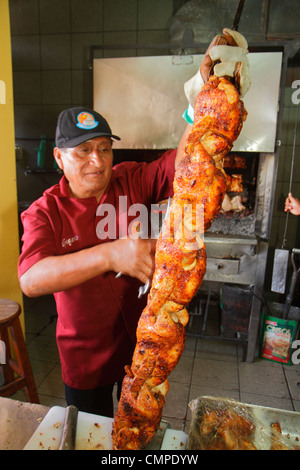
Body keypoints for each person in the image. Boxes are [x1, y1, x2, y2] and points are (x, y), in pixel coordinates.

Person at [18, 29, 249, 417]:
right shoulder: (45, 211)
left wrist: (201, 96)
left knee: (136, 430)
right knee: (93, 433)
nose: (98, 160)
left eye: (105, 148)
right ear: (59, 158)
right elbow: (31, 279)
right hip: (85, 357)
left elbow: (182, 162)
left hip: (138, 342)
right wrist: (112, 254)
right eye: (84, 151)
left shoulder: (130, 178)